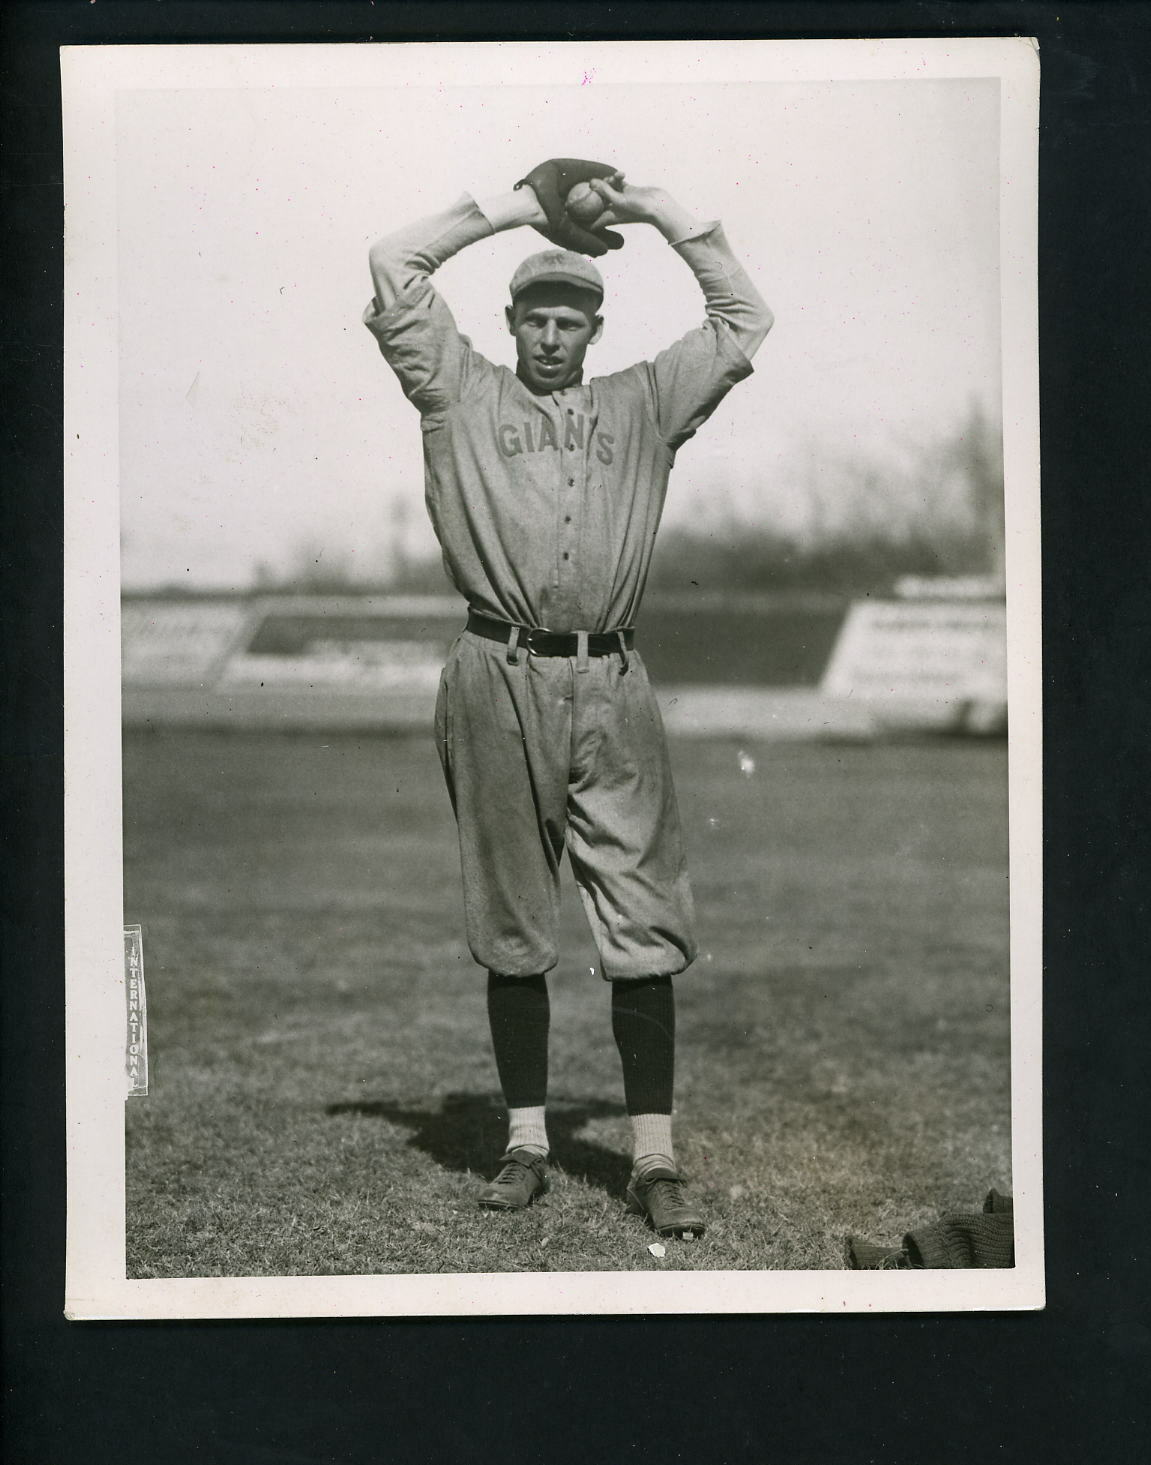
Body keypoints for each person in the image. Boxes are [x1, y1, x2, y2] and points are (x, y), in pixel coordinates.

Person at [363, 158, 772, 1240]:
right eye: (536, 317)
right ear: (510, 321)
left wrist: (652, 208)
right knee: (512, 922)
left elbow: (741, 318)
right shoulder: (457, 386)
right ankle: (526, 1143)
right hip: (493, 673)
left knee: (642, 922)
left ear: (593, 329)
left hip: (614, 680)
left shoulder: (640, 402)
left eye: (570, 320)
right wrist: (517, 210)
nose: (552, 335)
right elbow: (392, 264)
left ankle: (652, 1157)